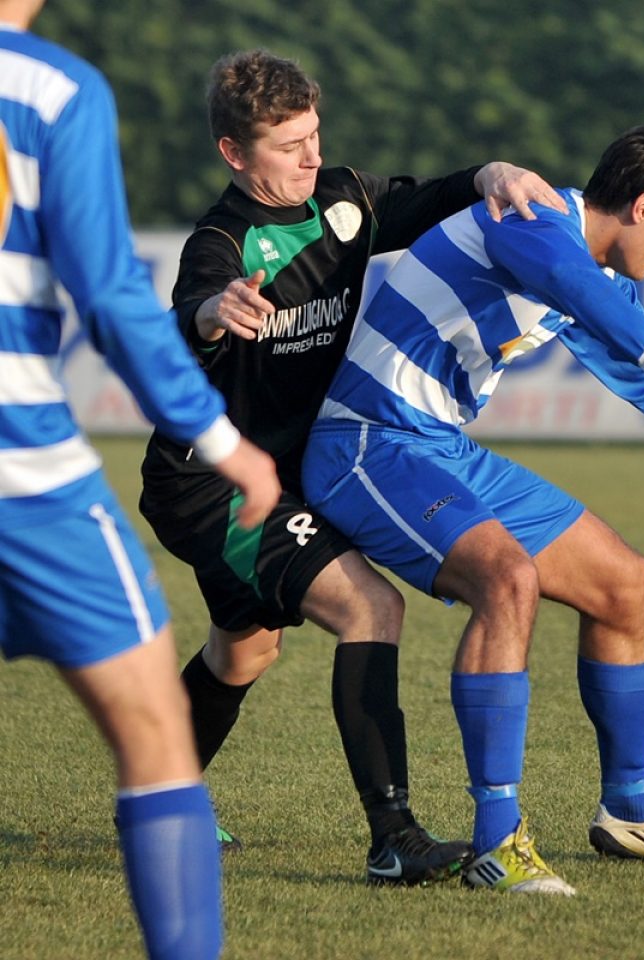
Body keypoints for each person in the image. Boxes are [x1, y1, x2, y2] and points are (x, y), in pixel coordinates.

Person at [301, 120, 644, 895]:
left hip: (437, 446)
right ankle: (498, 843)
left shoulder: (594, 280)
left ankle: (631, 811)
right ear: (643, 205)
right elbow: (580, 293)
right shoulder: (528, 219)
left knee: (628, 585)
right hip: (365, 443)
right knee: (507, 581)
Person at [136, 48, 566, 885]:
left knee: (242, 653)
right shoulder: (222, 240)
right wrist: (215, 311)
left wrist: (492, 172)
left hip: (278, 477)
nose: (308, 156)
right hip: (210, 482)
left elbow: (428, 199)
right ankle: (393, 839)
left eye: (314, 135)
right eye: (286, 144)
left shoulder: (342, 198)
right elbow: (193, 303)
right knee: (371, 608)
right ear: (234, 154)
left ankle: (158, 805)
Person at [0, 3, 282, 957]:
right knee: (160, 745)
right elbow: (113, 298)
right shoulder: (49, 88)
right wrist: (223, 439)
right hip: (24, 481)